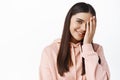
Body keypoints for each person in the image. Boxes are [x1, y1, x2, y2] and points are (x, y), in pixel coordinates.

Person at [39, 2, 110, 80]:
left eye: (88, 24)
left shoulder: (97, 50)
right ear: (69, 20)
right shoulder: (50, 52)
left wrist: (87, 46)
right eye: (79, 21)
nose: (84, 28)